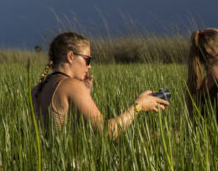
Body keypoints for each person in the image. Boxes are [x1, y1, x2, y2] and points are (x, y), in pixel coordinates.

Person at [31, 31, 167, 137]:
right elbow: (106, 132)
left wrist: (85, 93)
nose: (89, 66)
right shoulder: (72, 86)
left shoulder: (38, 88)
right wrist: (138, 106)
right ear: (71, 56)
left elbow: (61, 129)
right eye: (87, 60)